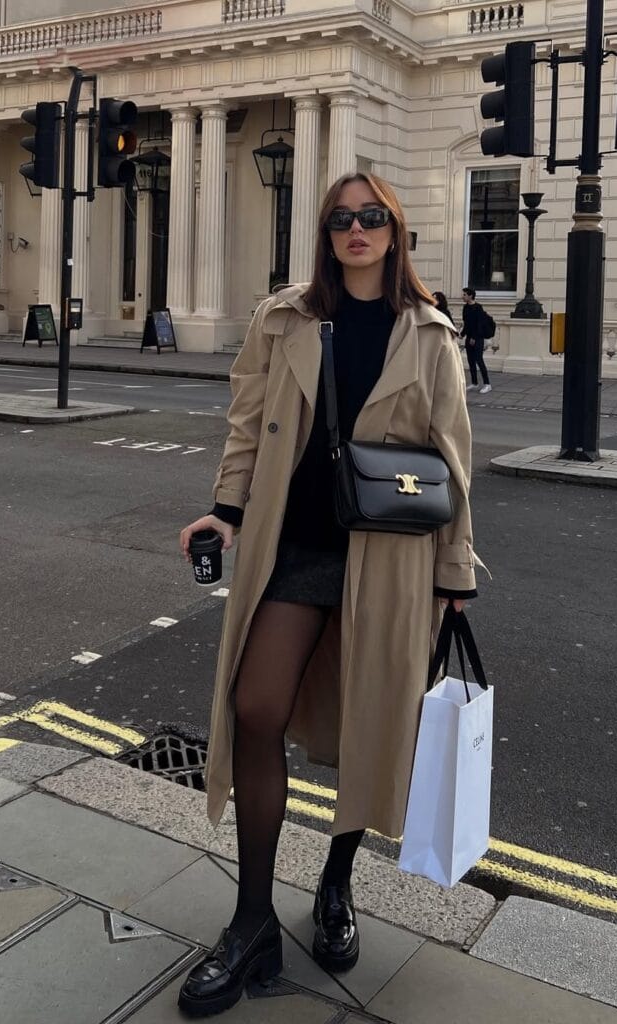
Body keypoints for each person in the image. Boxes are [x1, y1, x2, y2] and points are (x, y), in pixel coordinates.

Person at [178, 173, 483, 1018]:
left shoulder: (428, 333)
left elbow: (452, 462)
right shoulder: (285, 317)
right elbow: (246, 425)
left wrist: (455, 572)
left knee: (364, 724)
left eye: (372, 217)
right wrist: (225, 511)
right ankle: (249, 923)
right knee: (256, 710)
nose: (357, 229)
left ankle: (337, 885)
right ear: (325, 231)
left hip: (389, 560)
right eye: (342, 218)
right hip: (297, 547)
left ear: (394, 232)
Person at [460, 287, 492, 394]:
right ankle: (474, 382)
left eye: (464, 295)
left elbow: (479, 324)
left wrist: (474, 337)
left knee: (479, 360)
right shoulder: (465, 308)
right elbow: (466, 323)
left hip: (478, 338)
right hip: (469, 337)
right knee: (470, 360)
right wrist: (462, 334)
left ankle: (487, 384)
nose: (462, 297)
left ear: (470, 296)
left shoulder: (478, 307)